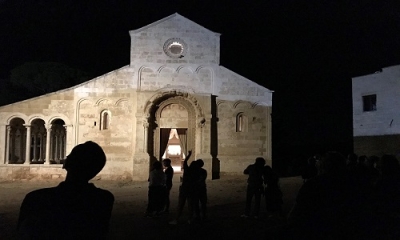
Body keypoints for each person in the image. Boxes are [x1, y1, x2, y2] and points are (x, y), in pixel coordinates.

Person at [17, 141, 114, 239]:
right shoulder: (104, 199)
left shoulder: (36, 199)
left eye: (70, 155)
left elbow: (22, 233)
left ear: (66, 163)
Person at [169, 150, 193, 224]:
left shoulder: (187, 171)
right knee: (191, 205)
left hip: (184, 189)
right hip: (192, 189)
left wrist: (189, 155)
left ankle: (177, 219)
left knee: (180, 205)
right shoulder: (198, 172)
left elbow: (185, 162)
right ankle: (190, 219)